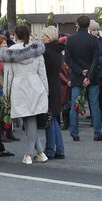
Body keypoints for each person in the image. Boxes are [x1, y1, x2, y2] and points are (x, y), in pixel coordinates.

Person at [2, 25, 49, 165]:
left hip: (19, 86)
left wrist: (6, 95)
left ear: (15, 35)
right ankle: (40, 153)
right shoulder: (37, 50)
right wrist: (46, 91)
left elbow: (8, 77)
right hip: (36, 85)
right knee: (31, 119)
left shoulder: (9, 52)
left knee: (28, 119)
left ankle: (29, 154)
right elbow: (43, 73)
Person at [65, 15, 102, 142]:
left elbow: (68, 59)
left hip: (77, 75)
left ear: (77, 24)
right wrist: (89, 74)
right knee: (94, 104)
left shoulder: (70, 40)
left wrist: (79, 71)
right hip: (92, 77)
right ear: (88, 26)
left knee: (75, 104)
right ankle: (97, 132)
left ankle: (74, 132)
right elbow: (96, 59)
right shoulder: (94, 40)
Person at [41, 26, 67, 159]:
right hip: (56, 85)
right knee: (54, 118)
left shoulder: (47, 52)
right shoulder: (58, 51)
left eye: (44, 36)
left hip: (49, 86)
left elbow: (43, 71)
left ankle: (50, 149)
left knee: (49, 119)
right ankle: (60, 149)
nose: (42, 38)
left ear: (49, 37)